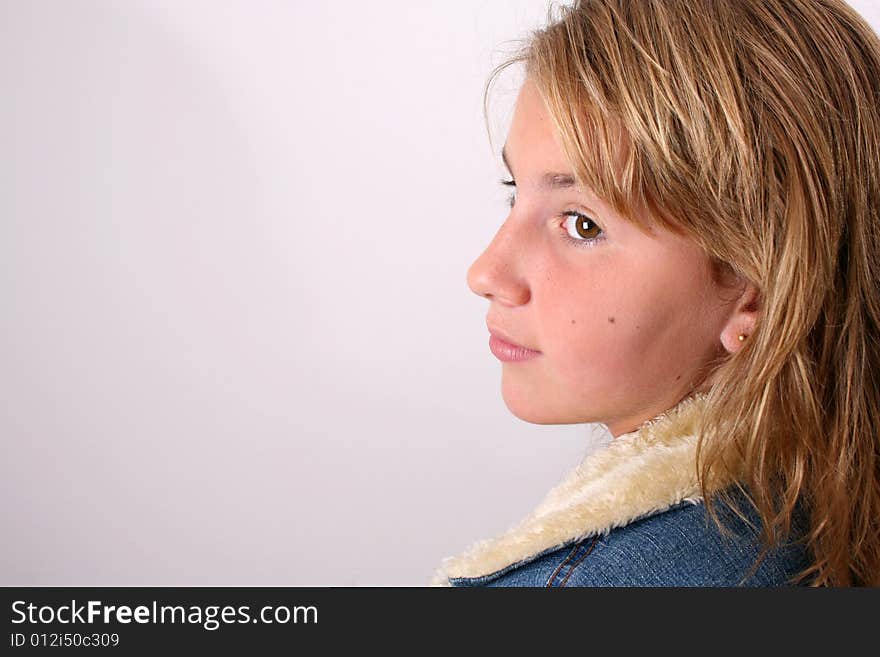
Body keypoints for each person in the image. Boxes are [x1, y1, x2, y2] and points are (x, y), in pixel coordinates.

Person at [431, 0, 880, 587]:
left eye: (581, 223)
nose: (486, 272)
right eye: (514, 192)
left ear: (756, 290)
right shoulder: (827, 515)